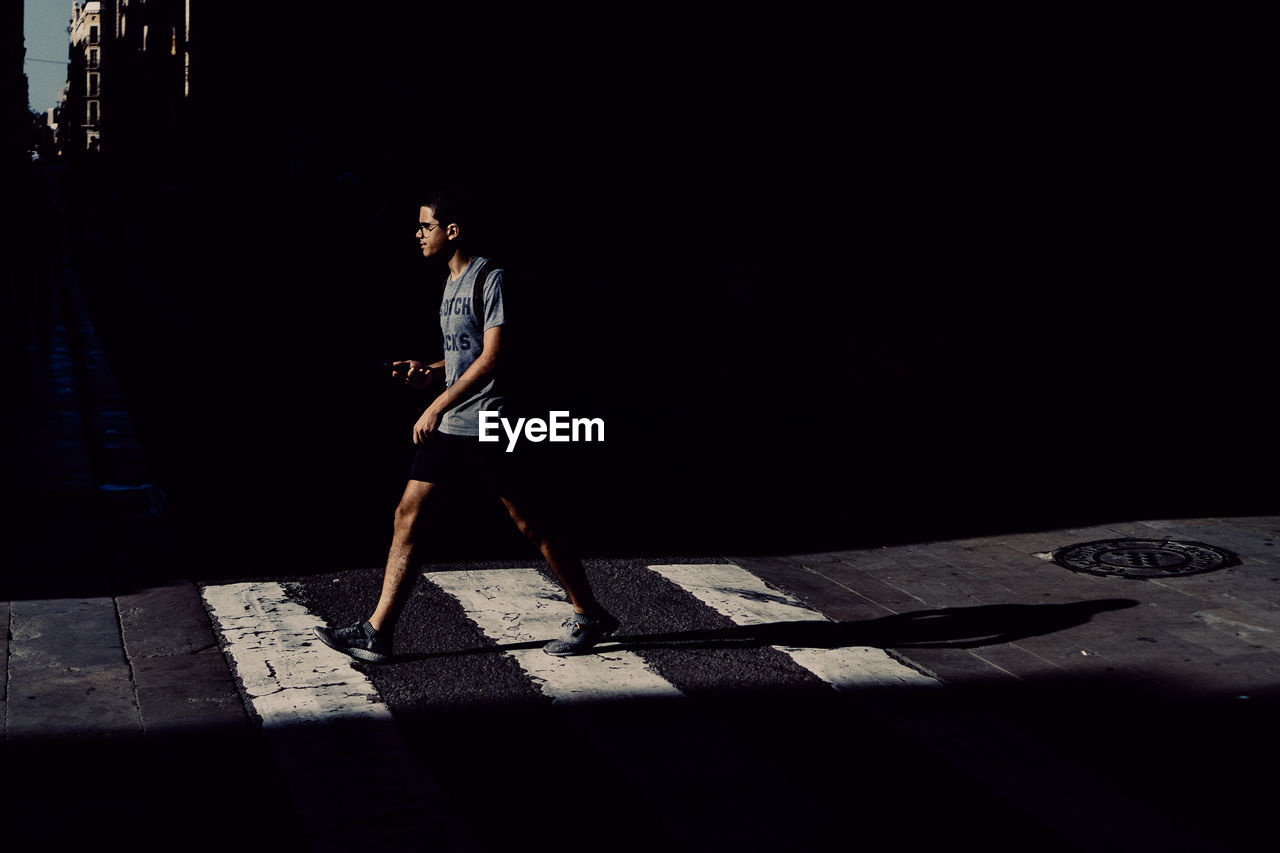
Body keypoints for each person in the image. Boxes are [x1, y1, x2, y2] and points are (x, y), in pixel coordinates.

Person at [314, 191, 617, 661]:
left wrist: (436, 403)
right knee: (408, 511)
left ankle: (590, 614)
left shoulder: (490, 277)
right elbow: (464, 359)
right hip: (458, 421)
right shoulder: (449, 283)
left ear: (452, 230)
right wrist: (431, 372)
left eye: (426, 227)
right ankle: (378, 630)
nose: (417, 235)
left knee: (530, 520)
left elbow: (495, 357)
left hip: (491, 421)